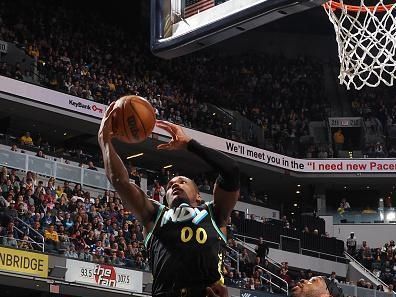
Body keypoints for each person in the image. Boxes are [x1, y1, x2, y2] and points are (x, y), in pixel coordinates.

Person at [98, 103, 240, 297]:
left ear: (198, 195)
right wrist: (104, 140)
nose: (175, 184)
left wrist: (190, 144)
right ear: (164, 198)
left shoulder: (214, 213)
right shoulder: (154, 215)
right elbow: (119, 180)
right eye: (170, 184)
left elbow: (231, 171)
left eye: (182, 181)